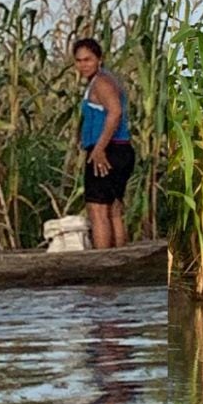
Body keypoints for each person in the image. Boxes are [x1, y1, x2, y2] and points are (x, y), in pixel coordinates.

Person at [74, 38, 135, 249]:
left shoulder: (101, 82)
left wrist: (99, 149)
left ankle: (104, 267)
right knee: (113, 210)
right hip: (121, 149)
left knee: (98, 211)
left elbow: (115, 112)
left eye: (88, 60)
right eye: (79, 61)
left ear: (99, 59)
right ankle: (120, 260)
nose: (83, 65)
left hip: (108, 150)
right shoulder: (106, 80)